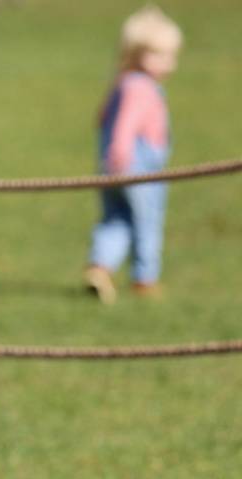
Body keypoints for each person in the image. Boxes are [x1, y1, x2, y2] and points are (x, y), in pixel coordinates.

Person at [84, 5, 182, 304]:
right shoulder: (141, 87)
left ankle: (99, 268)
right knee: (147, 221)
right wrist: (121, 151)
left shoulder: (121, 83)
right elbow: (125, 124)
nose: (168, 64)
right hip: (137, 167)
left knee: (115, 219)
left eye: (170, 56)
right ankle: (145, 278)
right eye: (159, 55)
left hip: (111, 167)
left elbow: (101, 118)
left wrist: (111, 155)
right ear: (136, 53)